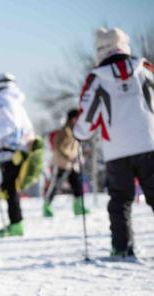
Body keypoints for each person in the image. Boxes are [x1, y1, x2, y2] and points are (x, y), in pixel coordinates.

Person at [74, 28, 154, 258]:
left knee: (120, 201)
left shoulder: (97, 79)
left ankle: (122, 248)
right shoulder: (145, 69)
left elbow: (87, 118)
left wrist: (79, 134)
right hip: (149, 142)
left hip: (117, 150)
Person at [0, 73, 35, 237]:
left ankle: (16, 223)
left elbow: (9, 125)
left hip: (11, 151)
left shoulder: (4, 100)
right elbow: (27, 128)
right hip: (20, 150)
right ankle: (16, 222)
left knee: (9, 188)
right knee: (11, 188)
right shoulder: (16, 101)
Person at [43, 109, 89, 218]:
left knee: (76, 185)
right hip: (62, 163)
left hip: (72, 164)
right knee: (56, 185)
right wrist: (68, 156)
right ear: (72, 118)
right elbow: (58, 146)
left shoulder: (75, 130)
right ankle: (46, 206)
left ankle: (78, 207)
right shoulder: (65, 131)